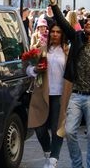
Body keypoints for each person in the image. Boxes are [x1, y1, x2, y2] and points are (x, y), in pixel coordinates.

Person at [45, 0, 90, 168]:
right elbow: (61, 22)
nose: (88, 23)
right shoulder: (77, 38)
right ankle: (77, 164)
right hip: (76, 95)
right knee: (69, 131)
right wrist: (53, 2)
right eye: (87, 21)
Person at [27, 19, 69, 168]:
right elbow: (27, 69)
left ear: (62, 34)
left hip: (60, 94)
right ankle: (48, 151)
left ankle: (53, 160)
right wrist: (35, 70)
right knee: (39, 127)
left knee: (57, 126)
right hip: (42, 93)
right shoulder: (42, 49)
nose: (55, 34)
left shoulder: (67, 51)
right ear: (49, 33)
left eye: (58, 32)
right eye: (53, 31)